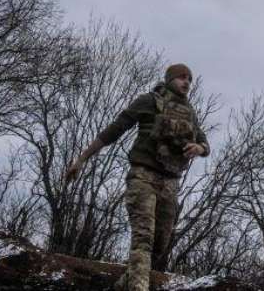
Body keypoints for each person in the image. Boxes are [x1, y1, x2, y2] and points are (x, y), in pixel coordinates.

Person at [64, 63, 209, 291]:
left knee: (159, 245)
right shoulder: (149, 101)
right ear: (169, 79)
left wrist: (200, 148)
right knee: (143, 240)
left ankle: (121, 286)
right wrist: (82, 159)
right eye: (181, 77)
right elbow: (115, 129)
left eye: (189, 79)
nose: (186, 82)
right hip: (143, 177)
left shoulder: (189, 112)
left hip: (170, 183)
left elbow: (204, 141)